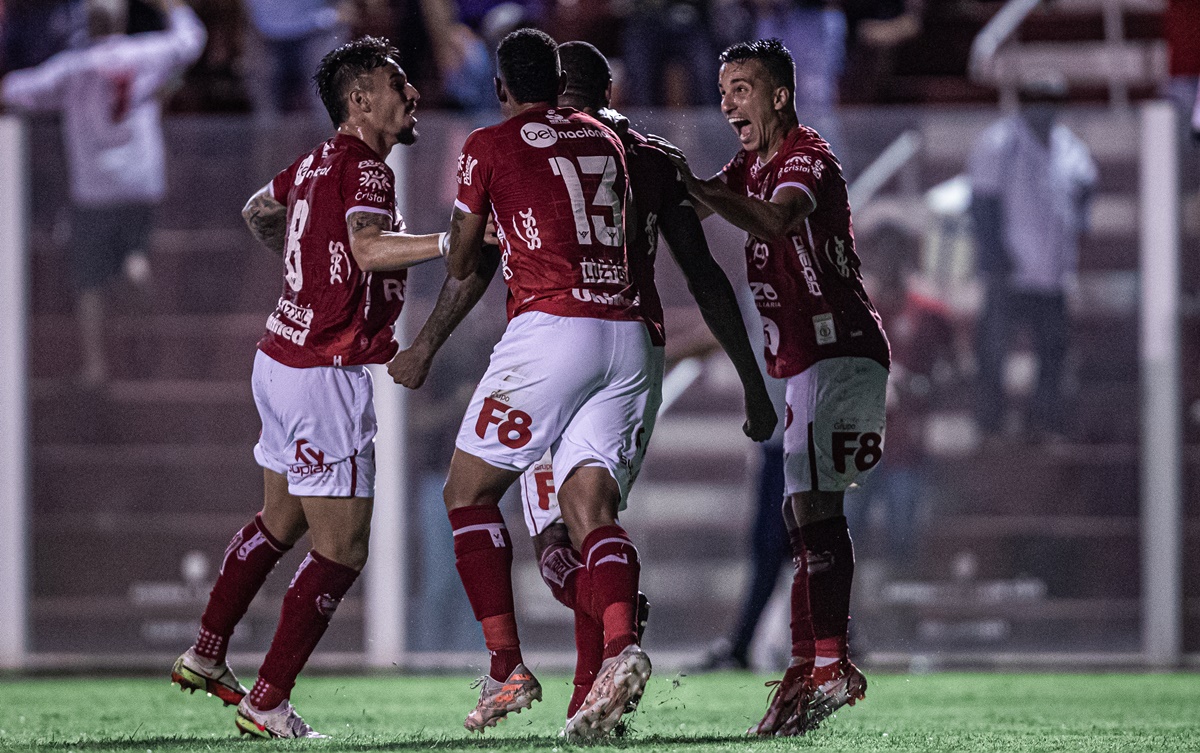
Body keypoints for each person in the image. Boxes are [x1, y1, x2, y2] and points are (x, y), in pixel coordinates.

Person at [387, 28, 666, 738]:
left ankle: (506, 663)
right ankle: (619, 648)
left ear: (503, 88)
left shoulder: (487, 143)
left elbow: (460, 258)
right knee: (590, 507)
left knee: (466, 490)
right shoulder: (607, 142)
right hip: (627, 334)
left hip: (552, 330)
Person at [169, 36, 449, 738]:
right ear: (360, 101)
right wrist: (452, 244)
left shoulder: (315, 161)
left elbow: (258, 213)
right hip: (324, 373)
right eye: (398, 83)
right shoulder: (369, 171)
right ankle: (266, 701)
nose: (412, 95)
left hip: (278, 358)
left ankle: (207, 652)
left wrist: (311, 278)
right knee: (342, 549)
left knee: (281, 521)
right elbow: (365, 248)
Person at [513, 40, 775, 729]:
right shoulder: (653, 157)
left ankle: (618, 635)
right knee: (590, 515)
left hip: (546, 346)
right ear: (615, 89)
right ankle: (606, 661)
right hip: (630, 344)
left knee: (555, 543)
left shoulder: (520, 145)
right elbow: (707, 280)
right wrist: (751, 383)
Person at [649, 38, 890, 736]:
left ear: (779, 95)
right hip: (806, 357)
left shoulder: (806, 157)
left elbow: (780, 218)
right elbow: (700, 208)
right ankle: (819, 661)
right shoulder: (747, 165)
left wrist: (696, 188)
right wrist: (650, 203)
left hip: (839, 348)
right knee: (804, 516)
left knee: (810, 511)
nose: (728, 101)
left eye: (742, 88)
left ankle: (825, 662)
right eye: (723, 89)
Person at [0, 0, 206, 388]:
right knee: (134, 257)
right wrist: (173, 6)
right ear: (122, 20)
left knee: (88, 278)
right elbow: (191, 40)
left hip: (92, 187)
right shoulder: (146, 54)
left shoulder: (73, 68)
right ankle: (142, 315)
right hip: (141, 179)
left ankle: (95, 366)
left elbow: (17, 90)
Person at [968, 77, 1096, 443]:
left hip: (1053, 272)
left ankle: (1042, 423)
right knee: (994, 351)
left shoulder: (1069, 146)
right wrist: (995, 257)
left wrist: (1078, 226)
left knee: (1052, 351)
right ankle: (990, 424)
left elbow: (1087, 184)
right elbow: (982, 204)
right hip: (1011, 272)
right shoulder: (999, 142)